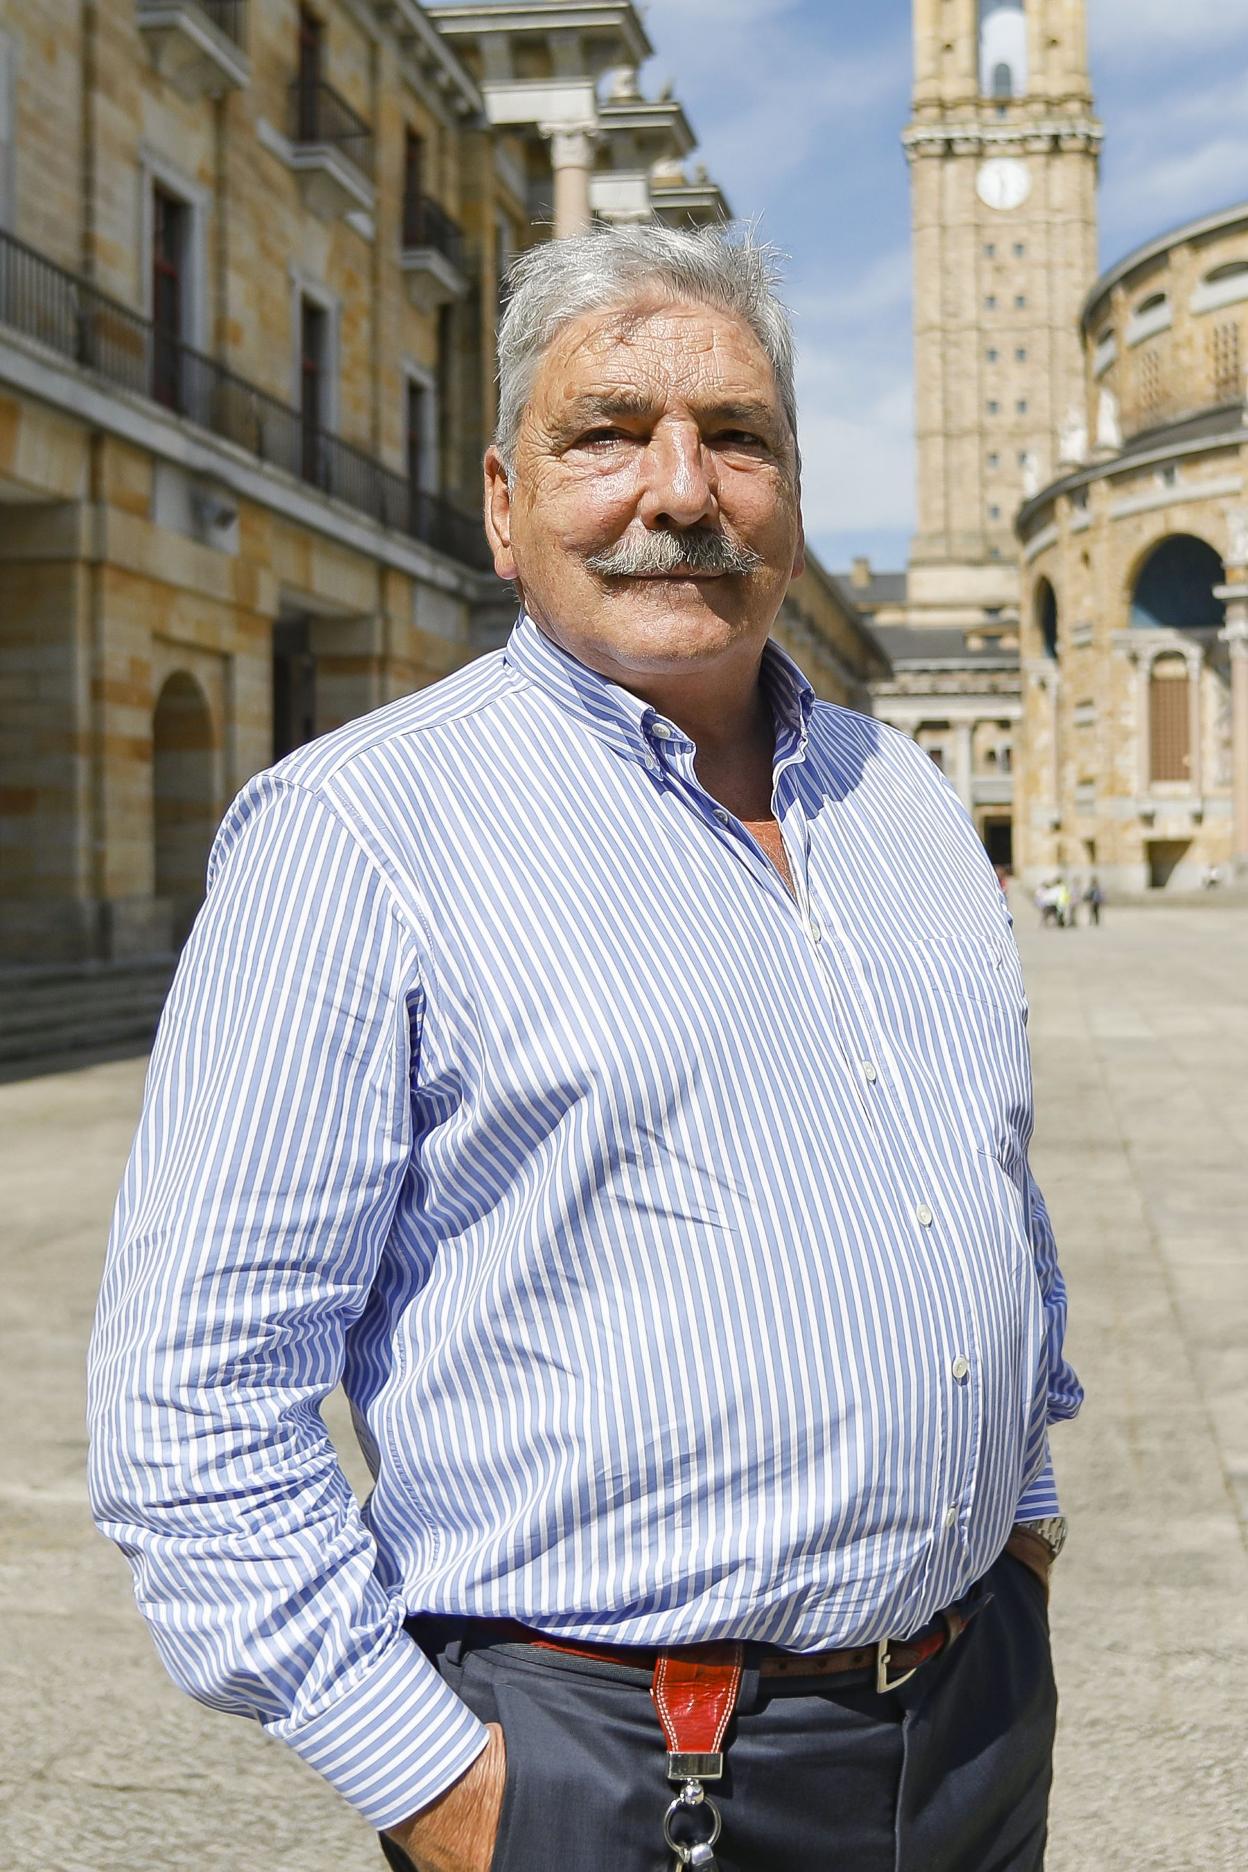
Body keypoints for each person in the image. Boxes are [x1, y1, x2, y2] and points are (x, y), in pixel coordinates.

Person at [88, 226, 1080, 1872]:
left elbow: (984, 1176)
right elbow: (190, 1408)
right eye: (608, 432)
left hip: (974, 1724)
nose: (680, 488)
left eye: (738, 439)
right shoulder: (360, 832)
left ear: (792, 488)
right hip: (627, 1773)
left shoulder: (901, 802)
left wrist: (1025, 1529)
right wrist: (468, 1803)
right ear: (501, 501)